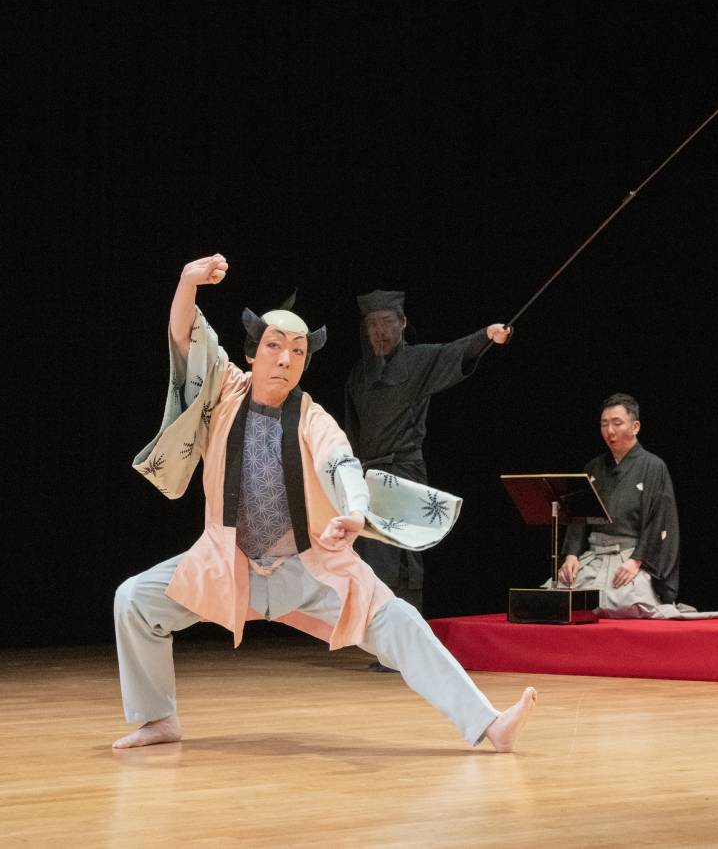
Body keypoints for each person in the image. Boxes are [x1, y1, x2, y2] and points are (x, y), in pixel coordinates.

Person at [114, 254, 535, 751]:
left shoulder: (313, 416)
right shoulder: (224, 389)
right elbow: (185, 335)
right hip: (230, 565)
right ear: (253, 353)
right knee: (135, 601)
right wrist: (188, 280)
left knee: (399, 621)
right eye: (274, 347)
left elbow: (342, 465)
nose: (286, 359)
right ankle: (157, 718)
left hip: (308, 570)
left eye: (297, 351)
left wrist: (355, 510)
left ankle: (488, 724)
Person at [344, 289, 511, 610]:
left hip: (404, 471)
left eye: (387, 322)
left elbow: (455, 352)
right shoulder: (359, 375)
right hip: (369, 476)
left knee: (405, 554)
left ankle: (409, 637)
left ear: (403, 323)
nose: (379, 330)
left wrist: (487, 336)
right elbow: (352, 431)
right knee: (373, 555)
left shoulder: (418, 360)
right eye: (373, 324)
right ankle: (383, 639)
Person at [548, 394, 718, 619]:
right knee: (560, 598)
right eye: (604, 424)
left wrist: (637, 560)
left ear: (635, 426)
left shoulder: (653, 467)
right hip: (594, 557)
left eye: (617, 423)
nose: (610, 431)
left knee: (625, 603)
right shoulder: (593, 468)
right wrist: (571, 555)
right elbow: (579, 517)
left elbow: (661, 521)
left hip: (630, 558)